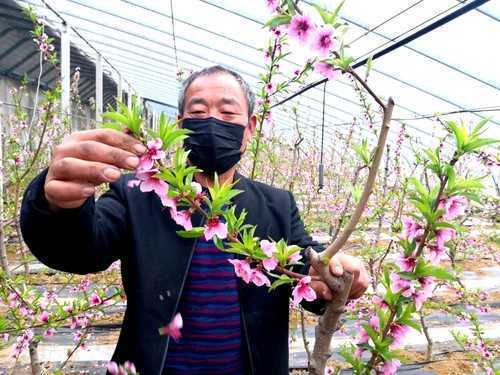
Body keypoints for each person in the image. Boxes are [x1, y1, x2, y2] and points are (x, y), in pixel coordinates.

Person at [21, 65, 369, 374]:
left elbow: (304, 272)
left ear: (249, 129)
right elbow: (82, 251)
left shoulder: (276, 204)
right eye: (198, 111)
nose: (212, 121)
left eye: (227, 112)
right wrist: (58, 206)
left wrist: (334, 275)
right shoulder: (138, 193)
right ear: (180, 126)